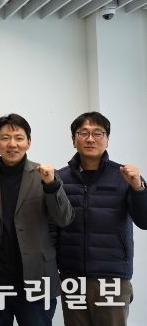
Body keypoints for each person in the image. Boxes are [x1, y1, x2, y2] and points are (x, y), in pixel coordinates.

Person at [0, 113, 74, 326]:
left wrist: (51, 185)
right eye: (5, 138)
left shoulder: (46, 175)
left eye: (19, 138)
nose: (12, 144)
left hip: (37, 279)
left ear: (29, 142)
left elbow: (64, 219)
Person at [53, 111, 147, 326]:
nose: (90, 138)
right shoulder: (60, 178)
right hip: (72, 276)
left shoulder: (125, 176)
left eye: (97, 133)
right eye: (83, 133)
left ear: (107, 139)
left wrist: (138, 188)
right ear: (73, 139)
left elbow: (144, 221)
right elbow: (52, 225)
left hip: (112, 276)